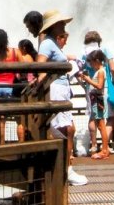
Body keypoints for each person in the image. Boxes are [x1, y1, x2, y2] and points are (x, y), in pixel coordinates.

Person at [35, 10, 88, 186]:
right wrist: (40, 86)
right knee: (65, 129)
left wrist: (69, 58)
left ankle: (65, 169)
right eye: (61, 23)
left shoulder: (53, 44)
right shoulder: (47, 44)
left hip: (62, 89)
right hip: (56, 89)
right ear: (53, 26)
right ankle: (66, 171)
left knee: (68, 129)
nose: (64, 25)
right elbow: (40, 66)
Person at [81, 31, 114, 153]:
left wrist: (84, 84)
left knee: (93, 116)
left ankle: (93, 145)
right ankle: (105, 145)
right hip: (104, 87)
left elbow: (80, 72)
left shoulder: (83, 54)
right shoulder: (104, 50)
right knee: (109, 117)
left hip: (90, 88)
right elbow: (112, 68)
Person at [0, 29, 23, 144]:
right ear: (7, 38)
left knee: (0, 119)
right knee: (18, 117)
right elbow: (24, 68)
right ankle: (21, 144)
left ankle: (1, 144)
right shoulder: (15, 52)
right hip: (11, 87)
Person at [78, 49, 111, 159]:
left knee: (101, 125)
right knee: (100, 124)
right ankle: (104, 150)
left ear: (97, 60)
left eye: (91, 62)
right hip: (95, 100)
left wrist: (88, 80)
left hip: (98, 100)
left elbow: (100, 86)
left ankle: (104, 150)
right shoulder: (99, 71)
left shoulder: (101, 71)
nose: (91, 65)